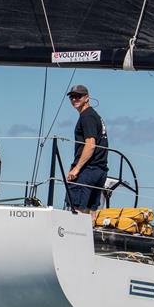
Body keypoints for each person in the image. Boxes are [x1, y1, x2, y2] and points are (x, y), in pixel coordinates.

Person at [65, 84, 108, 215]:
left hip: (88, 170)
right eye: (72, 97)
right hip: (99, 170)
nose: (74, 99)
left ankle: (74, 234)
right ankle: (90, 234)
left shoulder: (87, 117)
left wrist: (76, 168)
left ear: (87, 98)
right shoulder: (94, 115)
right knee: (90, 211)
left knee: (77, 210)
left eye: (78, 96)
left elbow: (90, 144)